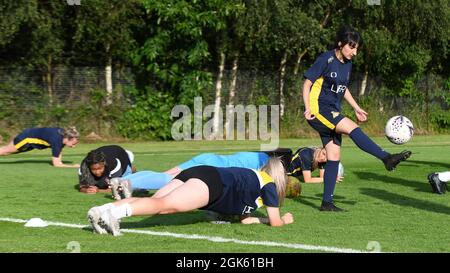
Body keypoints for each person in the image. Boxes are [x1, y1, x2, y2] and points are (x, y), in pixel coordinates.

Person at [302, 26, 412, 212]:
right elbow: (307, 83)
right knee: (351, 128)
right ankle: (386, 158)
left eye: (357, 48)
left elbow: (342, 88)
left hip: (332, 109)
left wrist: (356, 107)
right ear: (340, 44)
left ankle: (326, 203)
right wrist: (307, 108)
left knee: (334, 155)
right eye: (351, 47)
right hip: (319, 110)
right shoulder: (325, 59)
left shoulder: (347, 63)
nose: (355, 52)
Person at [87, 157, 294, 236]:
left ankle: (102, 212)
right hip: (212, 183)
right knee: (162, 205)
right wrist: (284, 219)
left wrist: (262, 219)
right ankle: (115, 213)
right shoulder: (268, 184)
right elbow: (276, 223)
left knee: (158, 205)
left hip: (200, 171)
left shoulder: (254, 178)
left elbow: (246, 219)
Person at [108, 148, 293, 200]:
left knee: (165, 174)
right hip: (211, 166)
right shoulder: (263, 165)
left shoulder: (257, 154)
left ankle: (123, 181)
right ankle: (128, 184)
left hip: (209, 158)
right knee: (168, 180)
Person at [0, 126, 80, 168]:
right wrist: (73, 166)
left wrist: (60, 162)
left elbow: (59, 152)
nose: (74, 146)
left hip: (31, 140)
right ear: (68, 138)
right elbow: (57, 164)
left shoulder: (63, 135)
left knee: (5, 152)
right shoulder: (56, 140)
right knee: (6, 151)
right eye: (73, 143)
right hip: (26, 138)